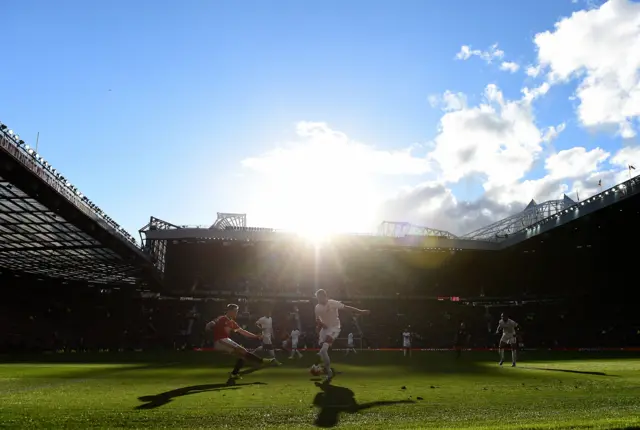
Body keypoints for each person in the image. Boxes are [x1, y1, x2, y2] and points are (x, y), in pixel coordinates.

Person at [205, 304, 274, 382]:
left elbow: (243, 332)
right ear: (230, 311)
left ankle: (234, 374)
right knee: (242, 350)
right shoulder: (222, 318)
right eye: (235, 311)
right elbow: (212, 323)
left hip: (224, 340)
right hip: (221, 340)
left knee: (242, 356)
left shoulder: (232, 322)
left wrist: (256, 336)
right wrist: (209, 325)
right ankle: (262, 361)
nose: (236, 313)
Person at [314, 289, 370, 383]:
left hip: (334, 328)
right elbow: (317, 319)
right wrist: (320, 325)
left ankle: (328, 372)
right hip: (325, 330)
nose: (319, 299)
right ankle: (323, 367)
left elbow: (346, 307)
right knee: (323, 352)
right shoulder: (317, 307)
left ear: (325, 296)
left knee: (323, 350)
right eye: (317, 298)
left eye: (320, 297)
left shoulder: (332, 303)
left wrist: (360, 311)